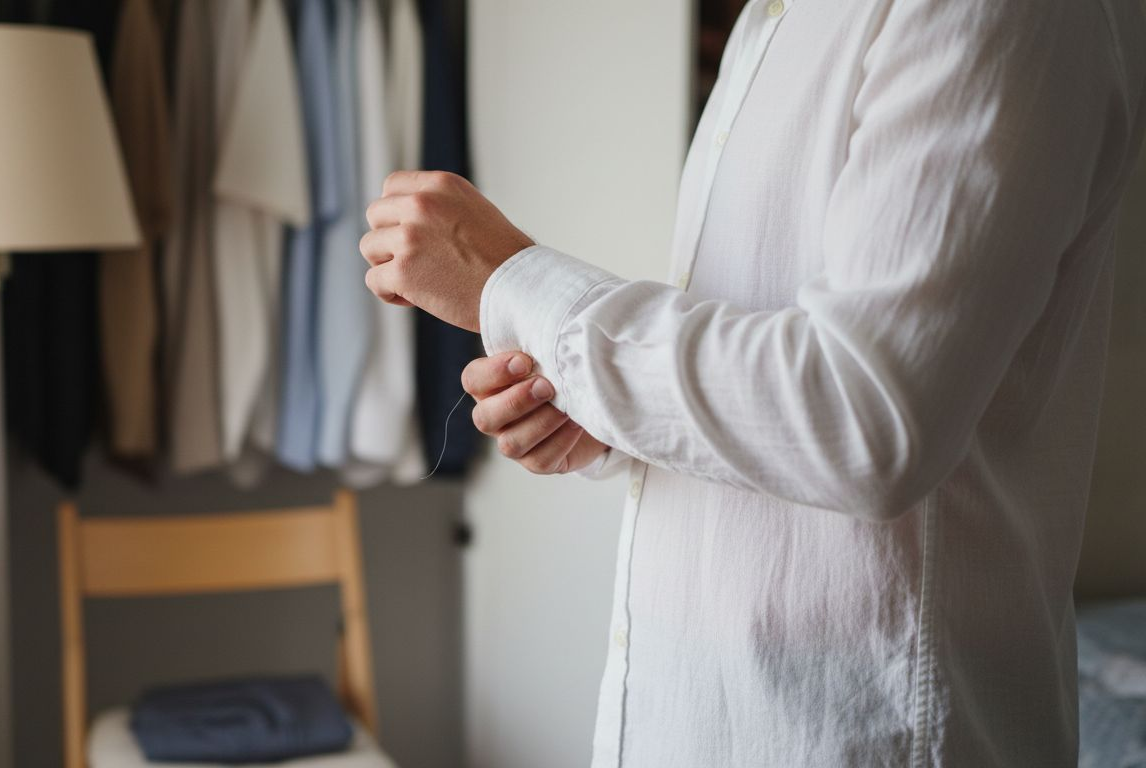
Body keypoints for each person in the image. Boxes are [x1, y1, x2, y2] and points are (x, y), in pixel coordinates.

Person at [359, 0, 1146, 765]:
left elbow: (865, 417)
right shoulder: (772, 20)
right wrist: (604, 409)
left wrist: (510, 279)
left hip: (861, 734)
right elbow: (787, 369)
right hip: (697, 718)